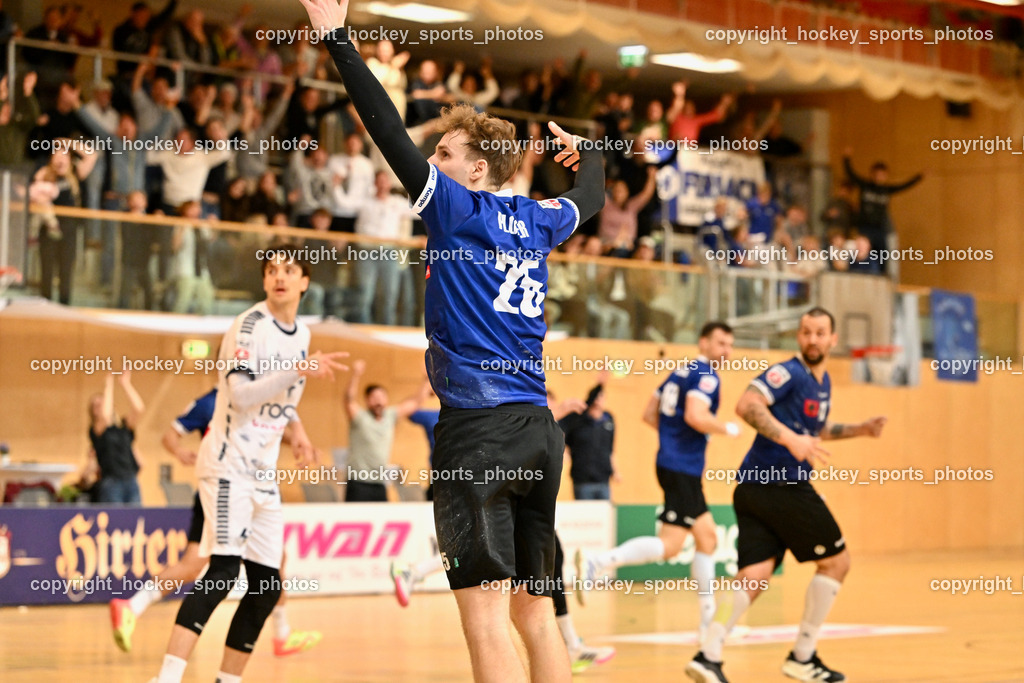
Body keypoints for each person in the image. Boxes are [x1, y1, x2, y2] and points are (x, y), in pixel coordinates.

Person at [300, 2, 605, 681]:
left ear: (474, 172)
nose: (429, 158)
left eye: (443, 153)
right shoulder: (539, 217)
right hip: (537, 432)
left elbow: (384, 130)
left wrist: (336, 40)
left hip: (477, 434)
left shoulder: (455, 207)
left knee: (486, 620)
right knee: (535, 613)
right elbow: (592, 194)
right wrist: (583, 156)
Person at [152, 244, 347, 683]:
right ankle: (166, 677)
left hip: (263, 473)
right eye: (271, 269)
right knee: (221, 574)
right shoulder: (247, 326)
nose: (279, 275)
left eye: (289, 269)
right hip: (227, 465)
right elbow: (241, 395)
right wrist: (299, 369)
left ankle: (228, 679)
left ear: (304, 282)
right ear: (264, 281)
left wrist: (297, 432)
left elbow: (280, 393)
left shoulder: (302, 335)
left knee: (267, 586)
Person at [685, 308, 886, 683]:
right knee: (837, 564)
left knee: (755, 573)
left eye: (820, 333)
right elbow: (747, 404)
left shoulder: (820, 382)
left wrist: (860, 429)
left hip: (754, 487)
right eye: (807, 332)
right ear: (799, 335)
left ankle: (708, 654)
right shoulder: (789, 372)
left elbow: (814, 429)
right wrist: (789, 438)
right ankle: (802, 656)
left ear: (833, 339)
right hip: (782, 485)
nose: (812, 339)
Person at [388, 390, 615, 674]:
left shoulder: (489, 388)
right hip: (503, 443)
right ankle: (571, 642)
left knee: (499, 601)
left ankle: (571, 642)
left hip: (490, 440)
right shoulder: (521, 397)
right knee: (526, 607)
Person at [111, 386, 322, 657]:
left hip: (233, 492)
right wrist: (178, 452)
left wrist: (295, 437)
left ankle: (133, 606)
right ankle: (280, 635)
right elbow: (169, 435)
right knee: (221, 567)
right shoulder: (210, 403)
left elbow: (263, 429)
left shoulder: (256, 396)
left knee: (253, 561)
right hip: (226, 493)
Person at [577, 322, 740, 644]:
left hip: (674, 464)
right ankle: (600, 562)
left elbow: (649, 413)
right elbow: (696, 416)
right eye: (721, 343)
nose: (727, 351)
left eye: (730, 345)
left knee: (706, 538)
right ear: (703, 342)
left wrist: (672, 438)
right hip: (682, 468)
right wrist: (727, 429)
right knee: (670, 546)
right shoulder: (706, 375)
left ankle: (708, 626)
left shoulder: (679, 372)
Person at [342, 359, 431, 501]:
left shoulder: (390, 416)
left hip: (379, 483)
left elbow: (415, 402)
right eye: (374, 397)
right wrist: (356, 375)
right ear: (367, 400)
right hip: (358, 483)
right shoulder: (360, 418)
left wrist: (426, 379)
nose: (379, 401)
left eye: (382, 397)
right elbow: (349, 400)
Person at [89, 370, 145, 504]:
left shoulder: (124, 428)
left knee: (136, 520)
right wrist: (109, 385)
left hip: (131, 480)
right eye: (96, 406)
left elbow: (139, 408)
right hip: (111, 483)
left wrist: (126, 384)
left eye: (102, 403)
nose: (101, 407)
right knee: (116, 521)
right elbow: (105, 416)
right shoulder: (97, 431)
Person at [558, 381, 617, 500]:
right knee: (585, 516)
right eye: (596, 397)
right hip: (582, 481)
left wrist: (615, 471)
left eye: (601, 397)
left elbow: (610, 449)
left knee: (604, 515)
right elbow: (564, 439)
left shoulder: (609, 420)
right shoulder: (577, 421)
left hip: (603, 480)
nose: (597, 401)